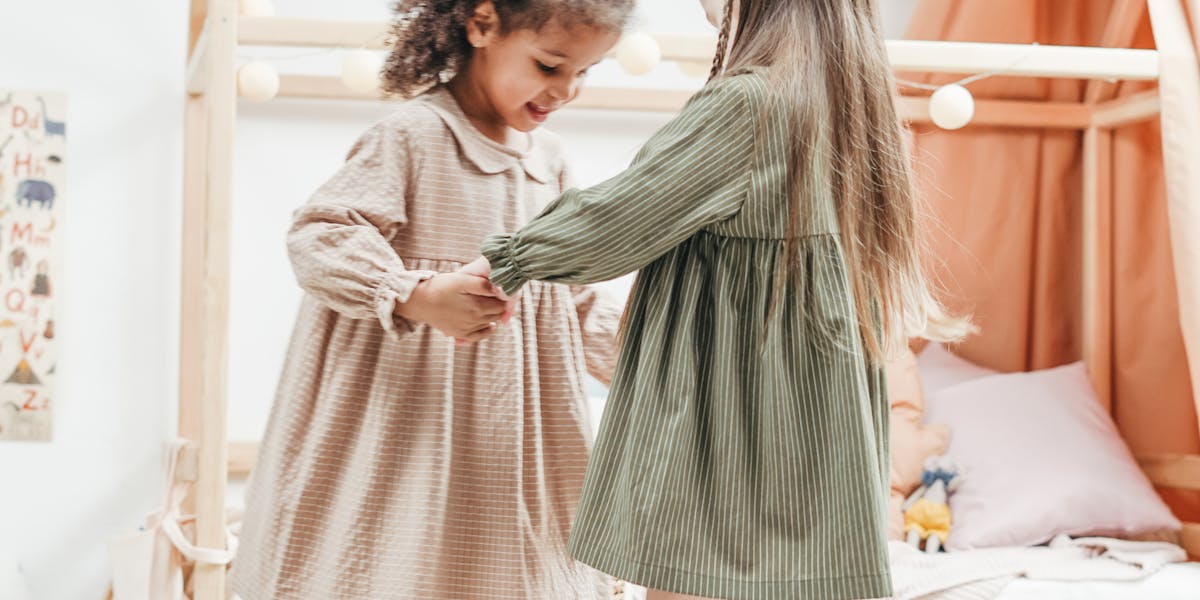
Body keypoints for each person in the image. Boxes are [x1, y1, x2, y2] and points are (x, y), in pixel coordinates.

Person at [470, 0, 969, 598]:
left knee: (693, 578)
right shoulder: (849, 109)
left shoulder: (749, 103)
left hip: (731, 428)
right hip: (805, 430)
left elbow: (621, 215)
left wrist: (503, 261)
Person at [232, 1, 632, 597]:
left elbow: (567, 302)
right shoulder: (413, 135)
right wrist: (410, 293)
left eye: (584, 72)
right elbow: (319, 235)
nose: (567, 90)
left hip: (506, 446)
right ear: (482, 25)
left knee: (512, 572)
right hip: (405, 426)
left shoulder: (549, 165)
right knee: (394, 568)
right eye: (550, 66)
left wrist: (650, 352)